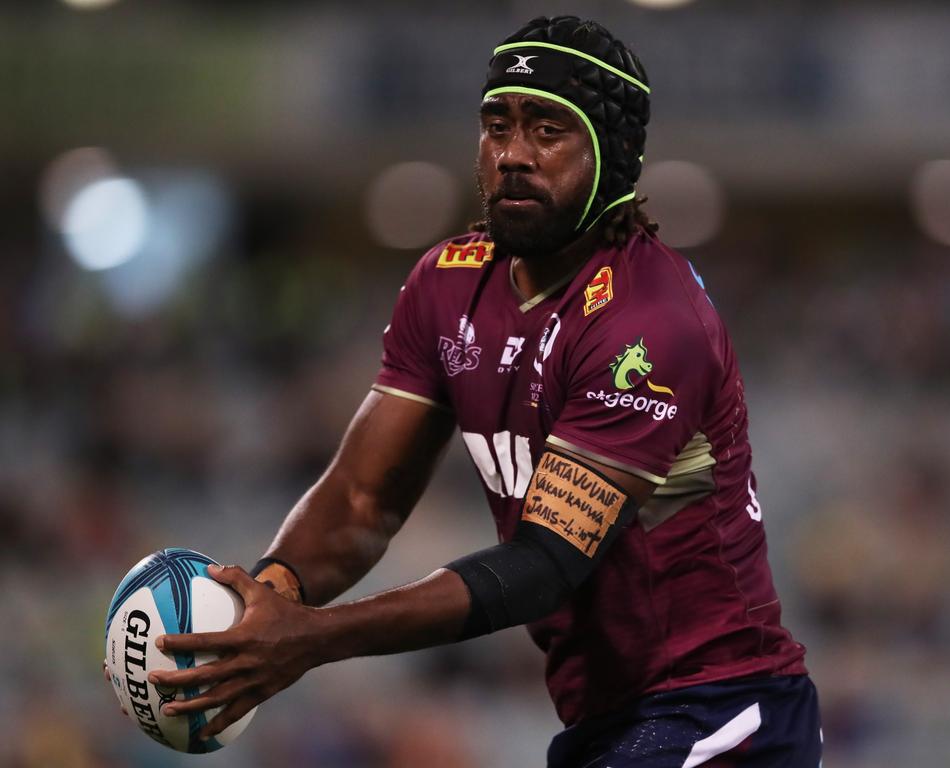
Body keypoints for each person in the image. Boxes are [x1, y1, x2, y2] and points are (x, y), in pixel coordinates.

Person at [145, 16, 823, 767]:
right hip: (609, 722)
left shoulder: (650, 321)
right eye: (496, 124)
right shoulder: (446, 281)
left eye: (547, 129)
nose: (512, 155)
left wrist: (311, 641)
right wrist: (271, 596)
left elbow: (544, 565)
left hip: (720, 709)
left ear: (614, 155)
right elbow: (365, 498)